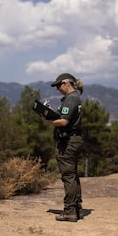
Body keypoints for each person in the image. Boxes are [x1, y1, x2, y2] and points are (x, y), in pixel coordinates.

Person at [42, 73, 84, 222]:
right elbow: (61, 116)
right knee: (72, 174)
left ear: (68, 83)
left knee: (68, 176)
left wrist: (48, 122)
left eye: (59, 85)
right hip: (73, 140)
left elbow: (64, 122)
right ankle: (76, 207)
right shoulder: (72, 98)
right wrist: (47, 113)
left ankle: (70, 211)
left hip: (68, 142)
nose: (58, 88)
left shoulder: (71, 98)